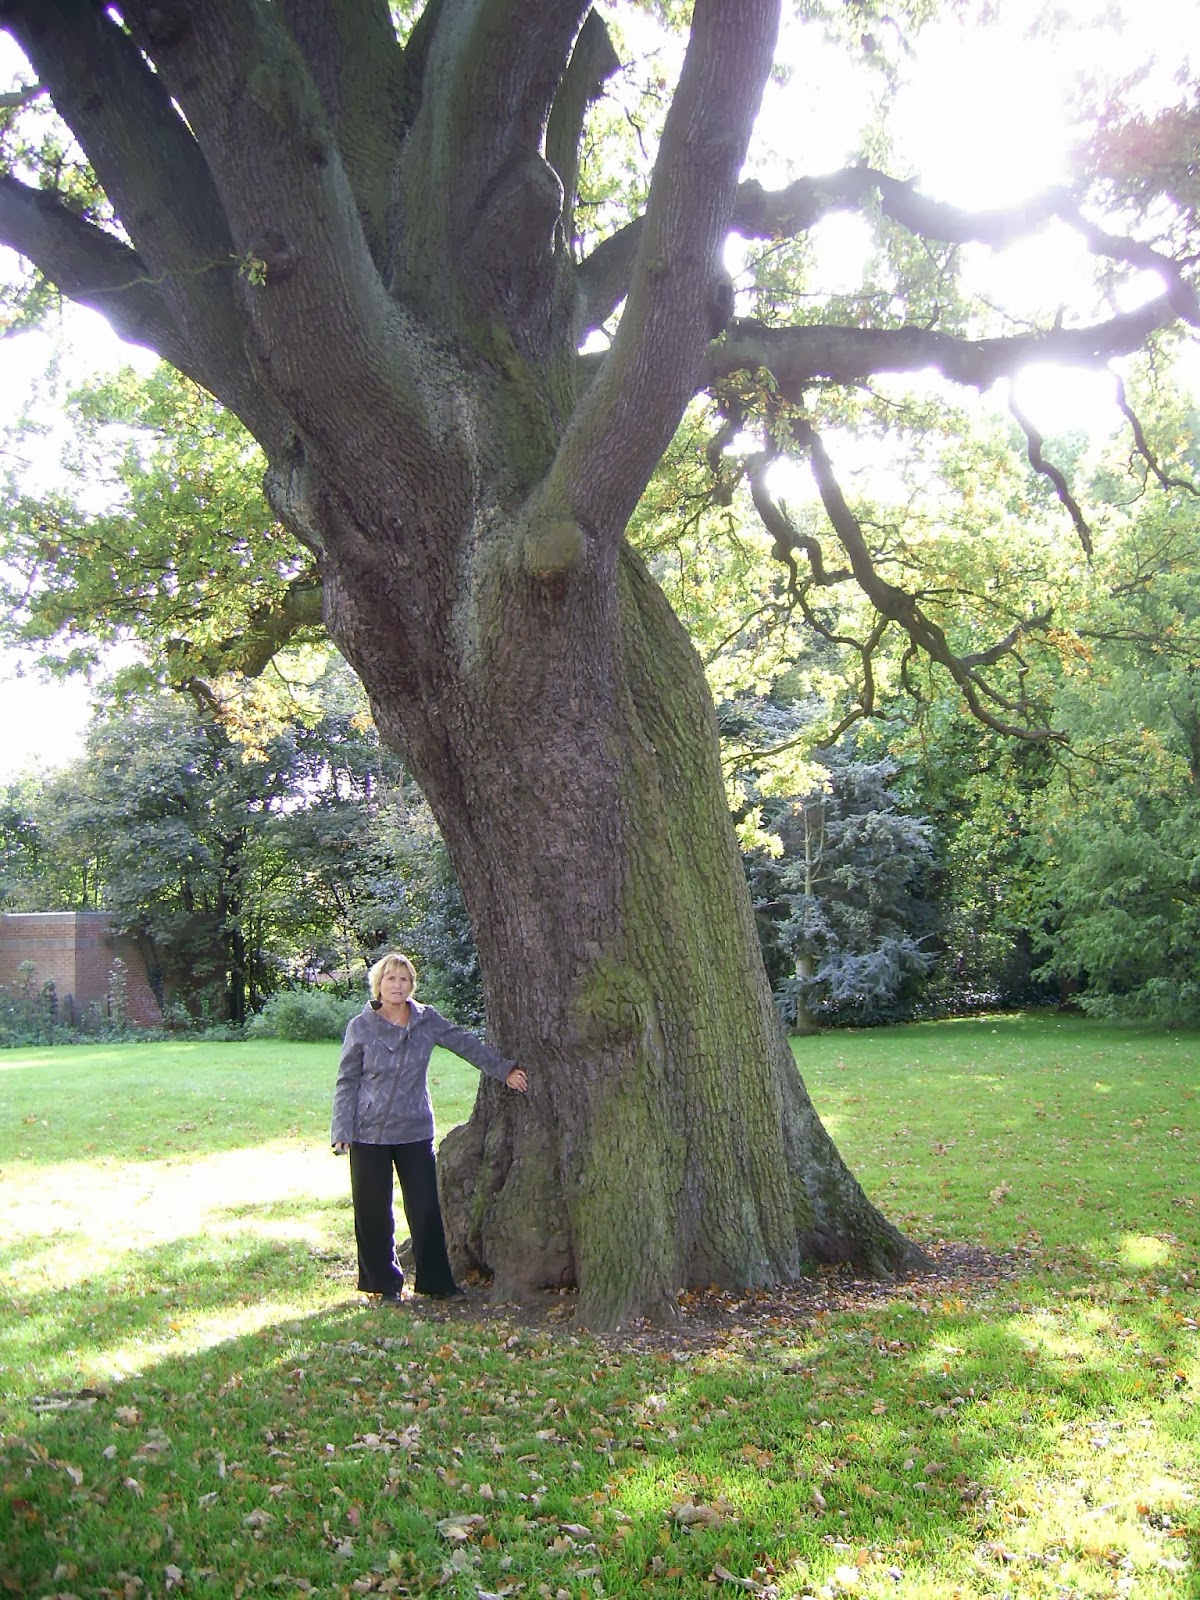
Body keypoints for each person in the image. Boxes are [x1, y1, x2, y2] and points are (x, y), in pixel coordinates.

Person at [331, 951, 527, 1303]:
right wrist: (341, 1130)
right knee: (373, 1212)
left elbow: (465, 1044)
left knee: (425, 1210)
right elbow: (347, 1080)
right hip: (368, 1132)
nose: (397, 985)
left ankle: (437, 1283)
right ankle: (383, 1285)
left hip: (415, 1130)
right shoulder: (360, 1027)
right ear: (378, 984)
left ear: (411, 985)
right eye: (390, 978)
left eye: (404, 979)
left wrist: (504, 1070)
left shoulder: (426, 1020)